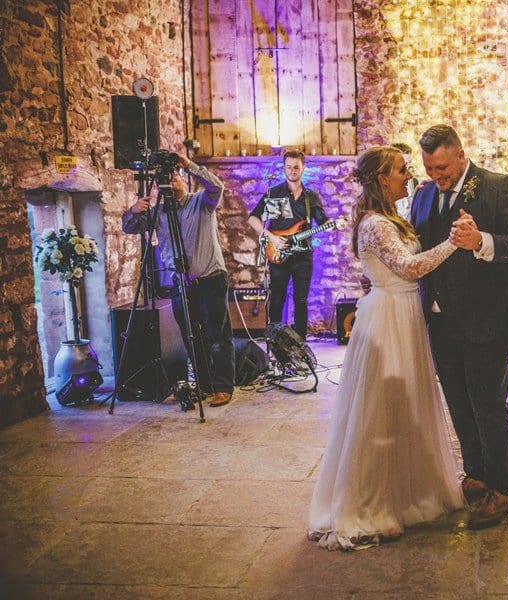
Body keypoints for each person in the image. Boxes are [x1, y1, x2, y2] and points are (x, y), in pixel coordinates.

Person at [307, 145, 464, 551]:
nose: (408, 175)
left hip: (403, 313)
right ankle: (370, 506)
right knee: (381, 412)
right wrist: (454, 242)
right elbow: (408, 268)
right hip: (388, 317)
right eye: (400, 170)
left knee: (404, 408)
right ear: (381, 178)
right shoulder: (375, 224)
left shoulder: (390, 217)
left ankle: (402, 498)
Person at [409, 124, 508, 530]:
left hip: (489, 317)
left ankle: (500, 486)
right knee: (458, 402)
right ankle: (476, 473)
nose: (436, 177)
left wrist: (481, 240)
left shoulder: (499, 187)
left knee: (487, 402)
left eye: (442, 168)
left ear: (461, 155)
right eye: (430, 169)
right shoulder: (423, 195)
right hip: (440, 317)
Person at [122, 151, 235, 407]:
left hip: (211, 279)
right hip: (181, 284)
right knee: (191, 336)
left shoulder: (201, 201)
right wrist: (133, 210)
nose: (171, 183)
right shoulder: (158, 213)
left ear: (183, 179)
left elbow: (217, 187)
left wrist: (189, 164)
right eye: (165, 180)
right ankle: (204, 386)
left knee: (218, 336)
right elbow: (128, 227)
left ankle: (223, 387)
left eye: (174, 178)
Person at [248, 150, 332, 339]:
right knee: (277, 299)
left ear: (303, 168)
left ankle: (301, 344)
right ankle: (275, 341)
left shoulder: (311, 197)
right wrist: (271, 237)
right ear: (284, 168)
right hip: (278, 253)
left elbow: (322, 220)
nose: (292, 171)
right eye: (289, 167)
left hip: (303, 255)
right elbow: (253, 218)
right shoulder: (274, 193)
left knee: (301, 300)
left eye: (296, 167)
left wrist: (332, 224)